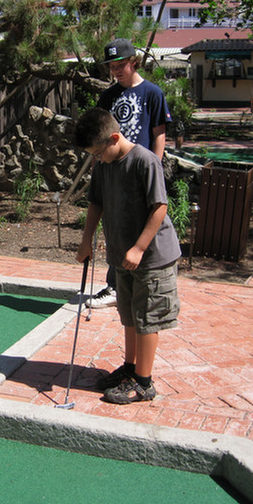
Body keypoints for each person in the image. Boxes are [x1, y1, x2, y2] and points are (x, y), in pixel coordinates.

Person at [75, 107, 180, 404]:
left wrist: (139, 247)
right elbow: (96, 203)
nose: (95, 158)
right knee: (129, 315)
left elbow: (159, 206)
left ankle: (144, 383)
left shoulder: (144, 161)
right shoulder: (104, 166)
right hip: (123, 256)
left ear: (114, 138)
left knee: (147, 317)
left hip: (152, 257)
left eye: (97, 152)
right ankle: (131, 368)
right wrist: (86, 241)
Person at [88, 37, 173, 310]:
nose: (116, 71)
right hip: (111, 170)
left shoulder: (152, 93)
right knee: (114, 225)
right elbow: (99, 134)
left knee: (141, 223)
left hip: (140, 170)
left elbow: (159, 134)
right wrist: (97, 165)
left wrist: (155, 168)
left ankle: (140, 280)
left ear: (134, 62)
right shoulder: (108, 96)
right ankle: (115, 285)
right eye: (112, 66)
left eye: (121, 65)